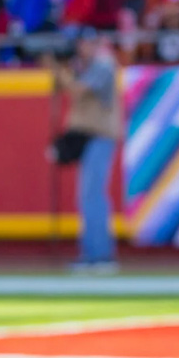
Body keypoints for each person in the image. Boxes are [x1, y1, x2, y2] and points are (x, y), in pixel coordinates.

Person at [51, 28, 122, 272]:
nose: (85, 47)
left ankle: (101, 255)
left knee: (93, 195)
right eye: (82, 43)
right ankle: (92, 253)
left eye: (89, 42)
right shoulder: (80, 65)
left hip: (100, 135)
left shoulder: (103, 63)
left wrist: (59, 70)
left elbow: (79, 89)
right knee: (87, 196)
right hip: (85, 136)